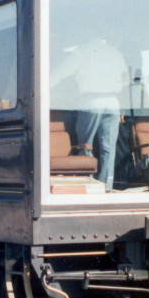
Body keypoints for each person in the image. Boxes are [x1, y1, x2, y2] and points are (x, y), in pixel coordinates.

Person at [52, 37, 128, 190]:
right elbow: (125, 81)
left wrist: (45, 88)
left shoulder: (82, 50)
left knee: (85, 145)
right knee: (109, 149)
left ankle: (89, 183)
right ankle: (107, 186)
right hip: (113, 102)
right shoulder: (116, 52)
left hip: (91, 101)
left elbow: (60, 72)